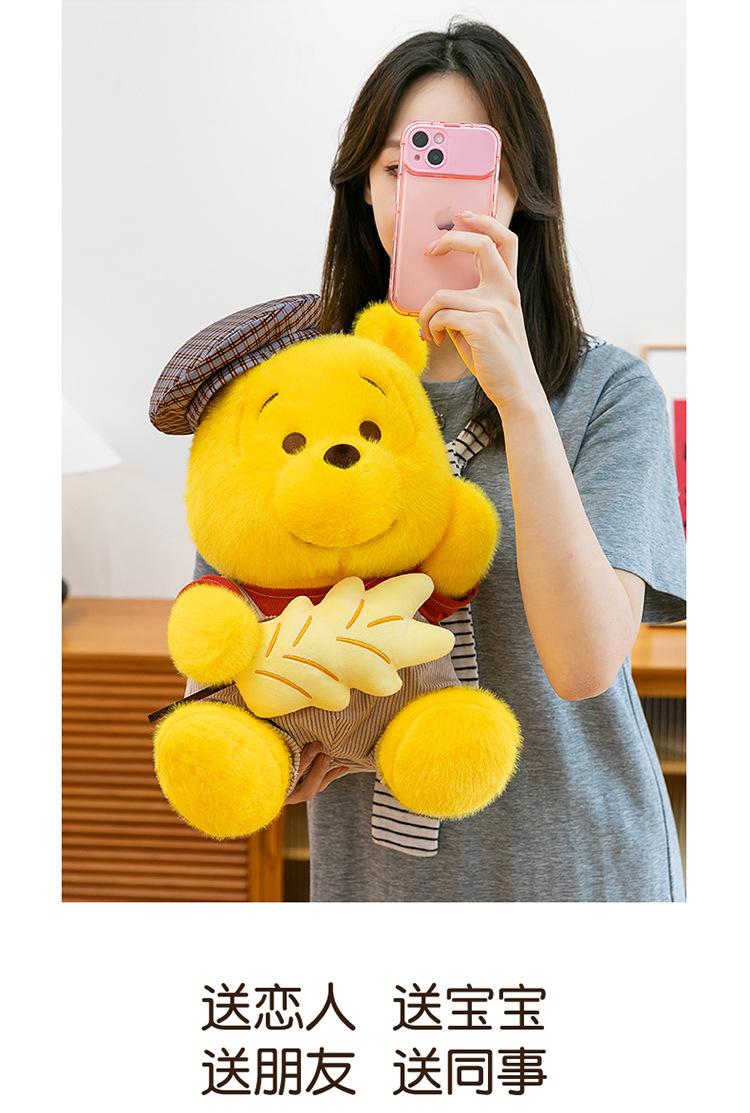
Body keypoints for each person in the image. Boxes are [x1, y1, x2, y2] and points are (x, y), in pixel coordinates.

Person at [189, 19, 686, 901]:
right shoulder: (288, 392)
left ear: (521, 189)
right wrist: (281, 733)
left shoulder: (609, 393)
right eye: (402, 168)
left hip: (581, 876)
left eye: (470, 170)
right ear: (365, 188)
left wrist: (521, 399)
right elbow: (217, 659)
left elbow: (583, 666)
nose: (437, 201)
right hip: (379, 885)